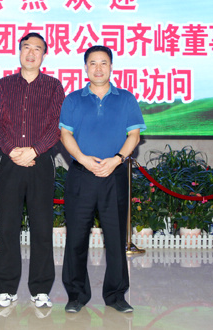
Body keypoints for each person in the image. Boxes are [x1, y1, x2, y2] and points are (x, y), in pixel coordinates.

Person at [58, 45, 146, 314]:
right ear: (85, 67)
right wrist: (83, 159)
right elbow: (65, 134)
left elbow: (134, 135)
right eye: (93, 63)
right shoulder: (73, 99)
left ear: (111, 67)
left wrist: (117, 159)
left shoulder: (126, 99)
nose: (98, 68)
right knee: (76, 237)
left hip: (114, 175)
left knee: (116, 238)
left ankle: (116, 295)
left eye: (103, 63)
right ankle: (76, 295)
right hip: (81, 175)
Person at [0, 32, 65, 310]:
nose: (31, 53)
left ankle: (41, 289)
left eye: (37, 49)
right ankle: (6, 289)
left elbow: (57, 124)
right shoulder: (4, 84)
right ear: (19, 51)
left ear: (44, 55)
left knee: (42, 227)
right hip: (9, 162)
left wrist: (34, 150)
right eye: (26, 48)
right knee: (7, 227)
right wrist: (12, 151)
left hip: (40, 162)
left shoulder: (53, 86)